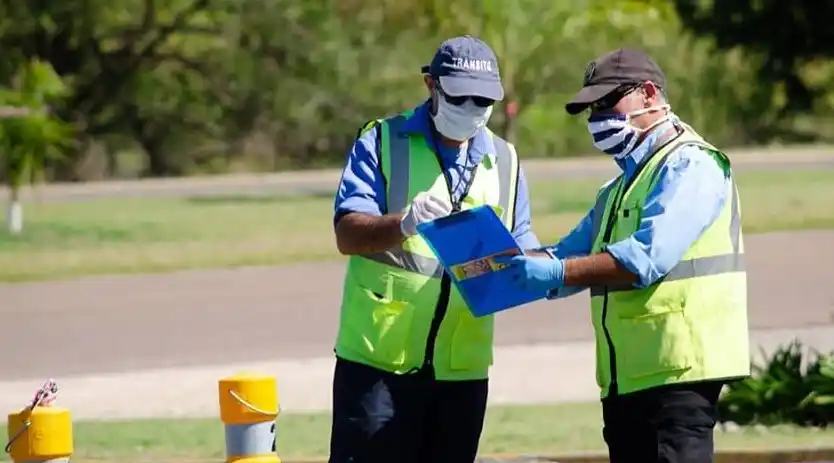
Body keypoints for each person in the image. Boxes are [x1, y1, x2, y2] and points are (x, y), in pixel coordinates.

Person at [496, 48, 751, 463]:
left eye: (607, 102)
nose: (597, 118)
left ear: (649, 94)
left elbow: (646, 259)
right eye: (592, 109)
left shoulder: (692, 165)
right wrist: (495, 264)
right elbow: (563, 254)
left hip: (678, 376)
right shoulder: (616, 190)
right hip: (627, 380)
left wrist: (556, 271)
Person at [329, 35, 540, 463]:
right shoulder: (382, 141)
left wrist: (535, 269)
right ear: (431, 85)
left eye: (483, 101)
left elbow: (524, 245)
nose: (472, 110)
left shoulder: (506, 159)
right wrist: (403, 222)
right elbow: (347, 233)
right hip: (379, 365)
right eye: (460, 98)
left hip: (461, 371)